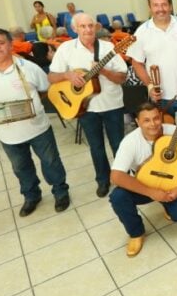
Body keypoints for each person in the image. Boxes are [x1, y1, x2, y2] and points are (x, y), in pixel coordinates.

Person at [0, 28, 70, 217]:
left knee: (51, 162)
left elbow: (44, 89)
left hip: (37, 127)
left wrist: (29, 106)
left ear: (9, 44)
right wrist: (3, 110)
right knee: (20, 167)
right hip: (7, 134)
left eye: (0, 42)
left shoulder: (28, 67)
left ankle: (60, 192)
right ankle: (31, 196)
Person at [49, 13, 127, 197]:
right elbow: (51, 77)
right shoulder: (66, 49)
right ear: (74, 29)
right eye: (82, 26)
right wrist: (67, 76)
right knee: (96, 147)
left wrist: (105, 71)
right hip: (84, 107)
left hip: (112, 104)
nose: (87, 30)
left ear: (96, 27)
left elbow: (122, 77)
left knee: (119, 145)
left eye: (90, 25)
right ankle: (103, 180)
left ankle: (124, 179)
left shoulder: (109, 47)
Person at [109, 103, 177, 257]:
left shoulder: (175, 133)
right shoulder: (130, 142)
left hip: (171, 185)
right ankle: (136, 233)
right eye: (146, 120)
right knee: (117, 197)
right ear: (138, 122)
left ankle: (167, 204)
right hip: (144, 186)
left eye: (156, 118)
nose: (153, 124)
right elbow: (116, 176)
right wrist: (151, 192)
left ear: (161, 117)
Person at [128, 0, 177, 153]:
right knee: (162, 138)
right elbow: (137, 63)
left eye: (164, 4)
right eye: (156, 5)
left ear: (171, 6)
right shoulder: (142, 32)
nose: (160, 9)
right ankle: (167, 168)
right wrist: (150, 86)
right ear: (149, 7)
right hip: (159, 98)